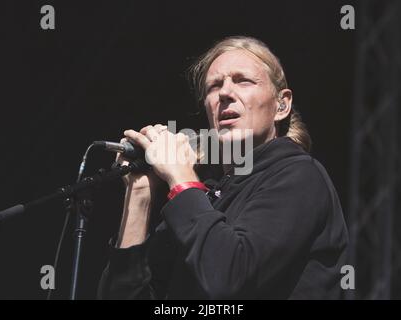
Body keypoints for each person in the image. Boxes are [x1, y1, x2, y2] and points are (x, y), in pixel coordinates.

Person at [97, 36, 349, 299]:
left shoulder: (300, 176)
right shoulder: (205, 197)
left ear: (281, 105)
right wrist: (139, 195)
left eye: (243, 81)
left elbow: (229, 280)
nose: (225, 93)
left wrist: (181, 178)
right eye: (214, 86)